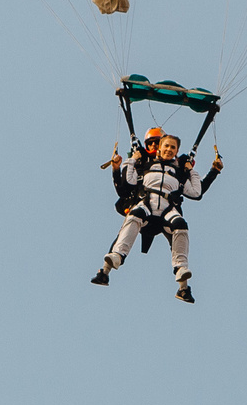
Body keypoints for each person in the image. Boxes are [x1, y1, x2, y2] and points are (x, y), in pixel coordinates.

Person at [93, 127, 223, 302]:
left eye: (172, 148)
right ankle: (114, 259)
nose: (167, 149)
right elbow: (125, 185)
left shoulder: (179, 172)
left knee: (181, 225)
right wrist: (127, 163)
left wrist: (194, 169)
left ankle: (182, 277)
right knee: (135, 214)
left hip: (168, 208)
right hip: (146, 204)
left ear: (176, 151)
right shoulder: (144, 166)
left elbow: (196, 192)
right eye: (163, 146)